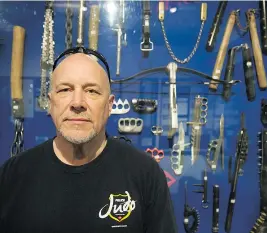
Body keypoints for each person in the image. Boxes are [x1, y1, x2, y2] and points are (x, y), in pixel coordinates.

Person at [0, 47, 178, 233]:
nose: (77, 103)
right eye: (65, 90)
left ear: (109, 106)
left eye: (91, 91)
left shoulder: (146, 174)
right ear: (51, 103)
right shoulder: (12, 176)